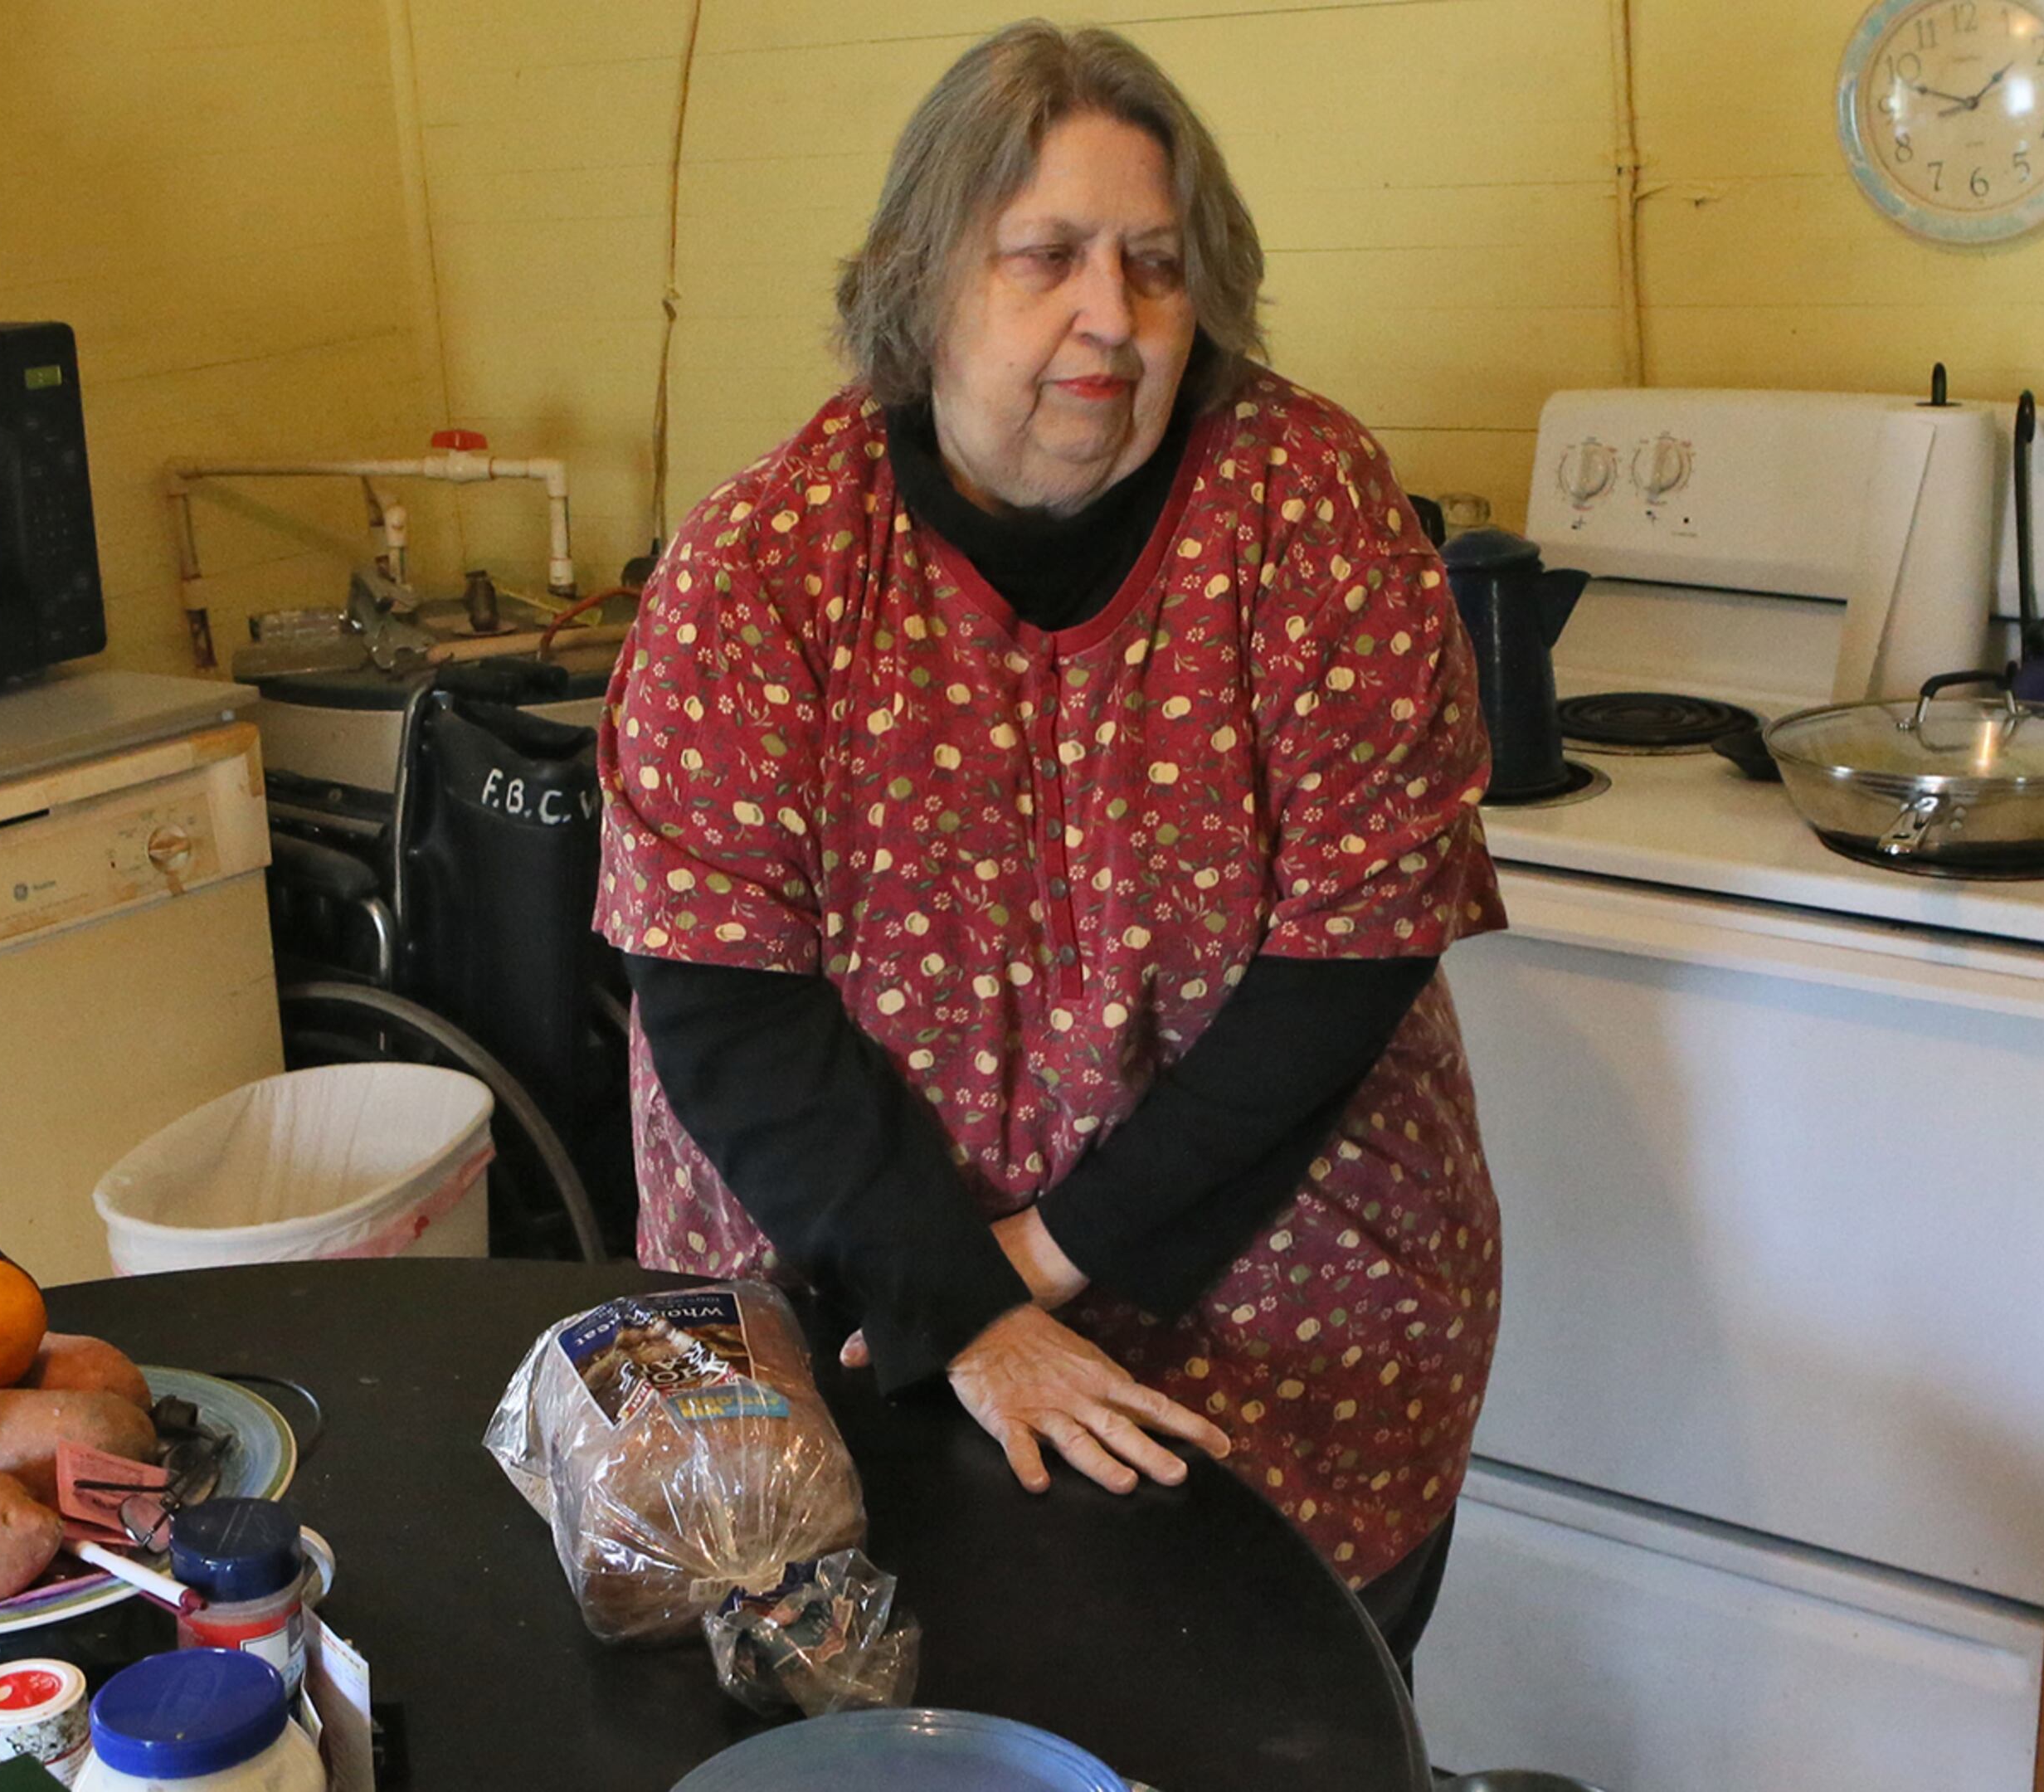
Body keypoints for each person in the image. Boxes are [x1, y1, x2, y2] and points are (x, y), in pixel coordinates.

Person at [593, 19, 1502, 1668]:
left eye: (1157, 265)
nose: (1114, 316)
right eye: (1048, 259)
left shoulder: (1313, 512)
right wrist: (952, 1305)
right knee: (887, 1722)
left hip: (1289, 1337)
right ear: (921, 281)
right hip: (853, 1314)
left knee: (1266, 1735)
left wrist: (1028, 1268)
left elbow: (1343, 968)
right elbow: (723, 1004)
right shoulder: (760, 567)